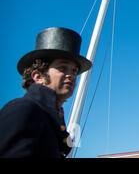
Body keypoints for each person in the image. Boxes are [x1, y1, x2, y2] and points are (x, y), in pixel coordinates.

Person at [0, 27, 92, 158]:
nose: (71, 75)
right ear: (38, 76)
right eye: (62, 68)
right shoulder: (23, 110)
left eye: (74, 71)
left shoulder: (52, 119)